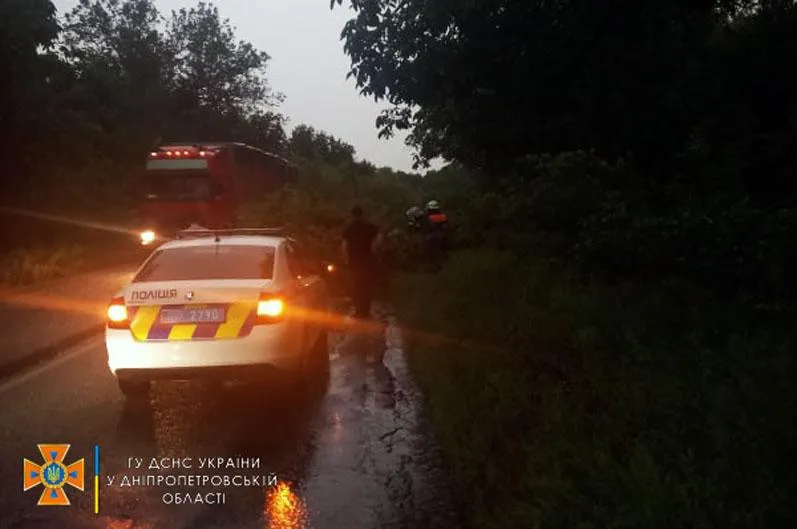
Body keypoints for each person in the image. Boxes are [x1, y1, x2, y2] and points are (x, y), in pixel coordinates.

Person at [341, 206, 382, 318]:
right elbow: (379, 237)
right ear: (362, 214)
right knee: (367, 286)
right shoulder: (369, 226)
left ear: (352, 215)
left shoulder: (349, 228)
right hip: (368, 261)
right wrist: (374, 249)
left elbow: (344, 245)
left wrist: (346, 259)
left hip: (354, 262)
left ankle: (358, 311)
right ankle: (366, 311)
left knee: (356, 287)